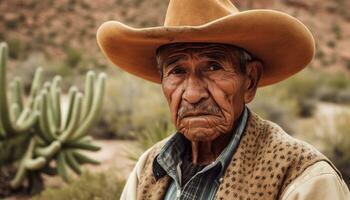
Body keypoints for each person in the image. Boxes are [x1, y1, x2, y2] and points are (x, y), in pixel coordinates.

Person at [96, 0, 350, 199]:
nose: (193, 94)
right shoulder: (149, 169)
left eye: (213, 67)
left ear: (249, 80)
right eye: (177, 71)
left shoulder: (302, 177)